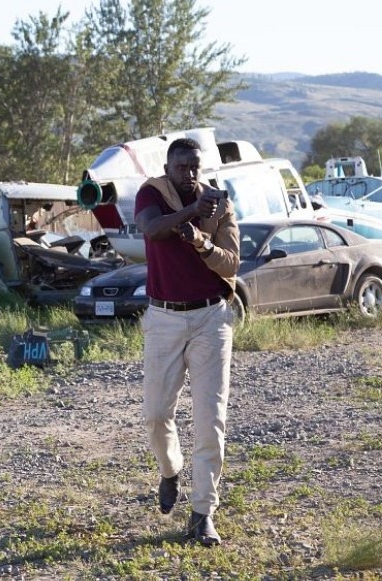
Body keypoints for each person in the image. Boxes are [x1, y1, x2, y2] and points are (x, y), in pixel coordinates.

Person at [133, 137, 240, 547]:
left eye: (195, 166)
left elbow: (231, 262)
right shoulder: (152, 193)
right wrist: (192, 211)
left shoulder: (220, 204)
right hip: (163, 318)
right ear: (169, 166)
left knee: (210, 417)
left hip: (211, 317)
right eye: (182, 167)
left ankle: (202, 513)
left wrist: (202, 240)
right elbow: (151, 229)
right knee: (156, 414)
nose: (189, 174)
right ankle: (169, 470)